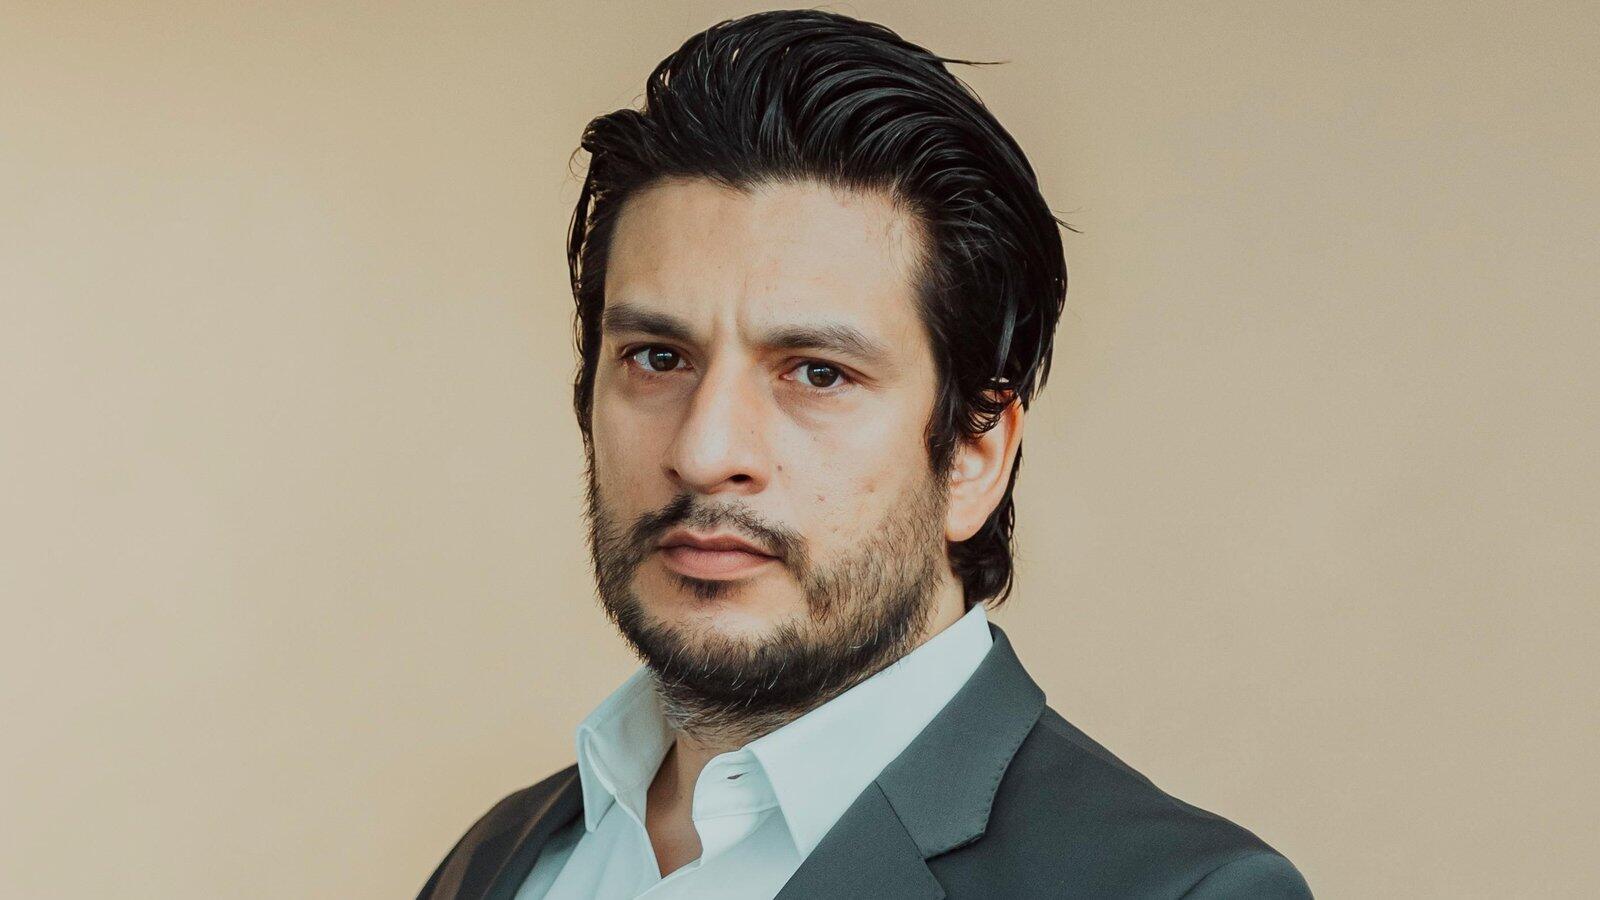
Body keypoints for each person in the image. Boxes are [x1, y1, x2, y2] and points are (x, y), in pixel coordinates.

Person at [419, 9, 1311, 899]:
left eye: (818, 372)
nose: (705, 451)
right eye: (658, 358)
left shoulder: (1179, 892)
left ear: (973, 456)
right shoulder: (501, 860)